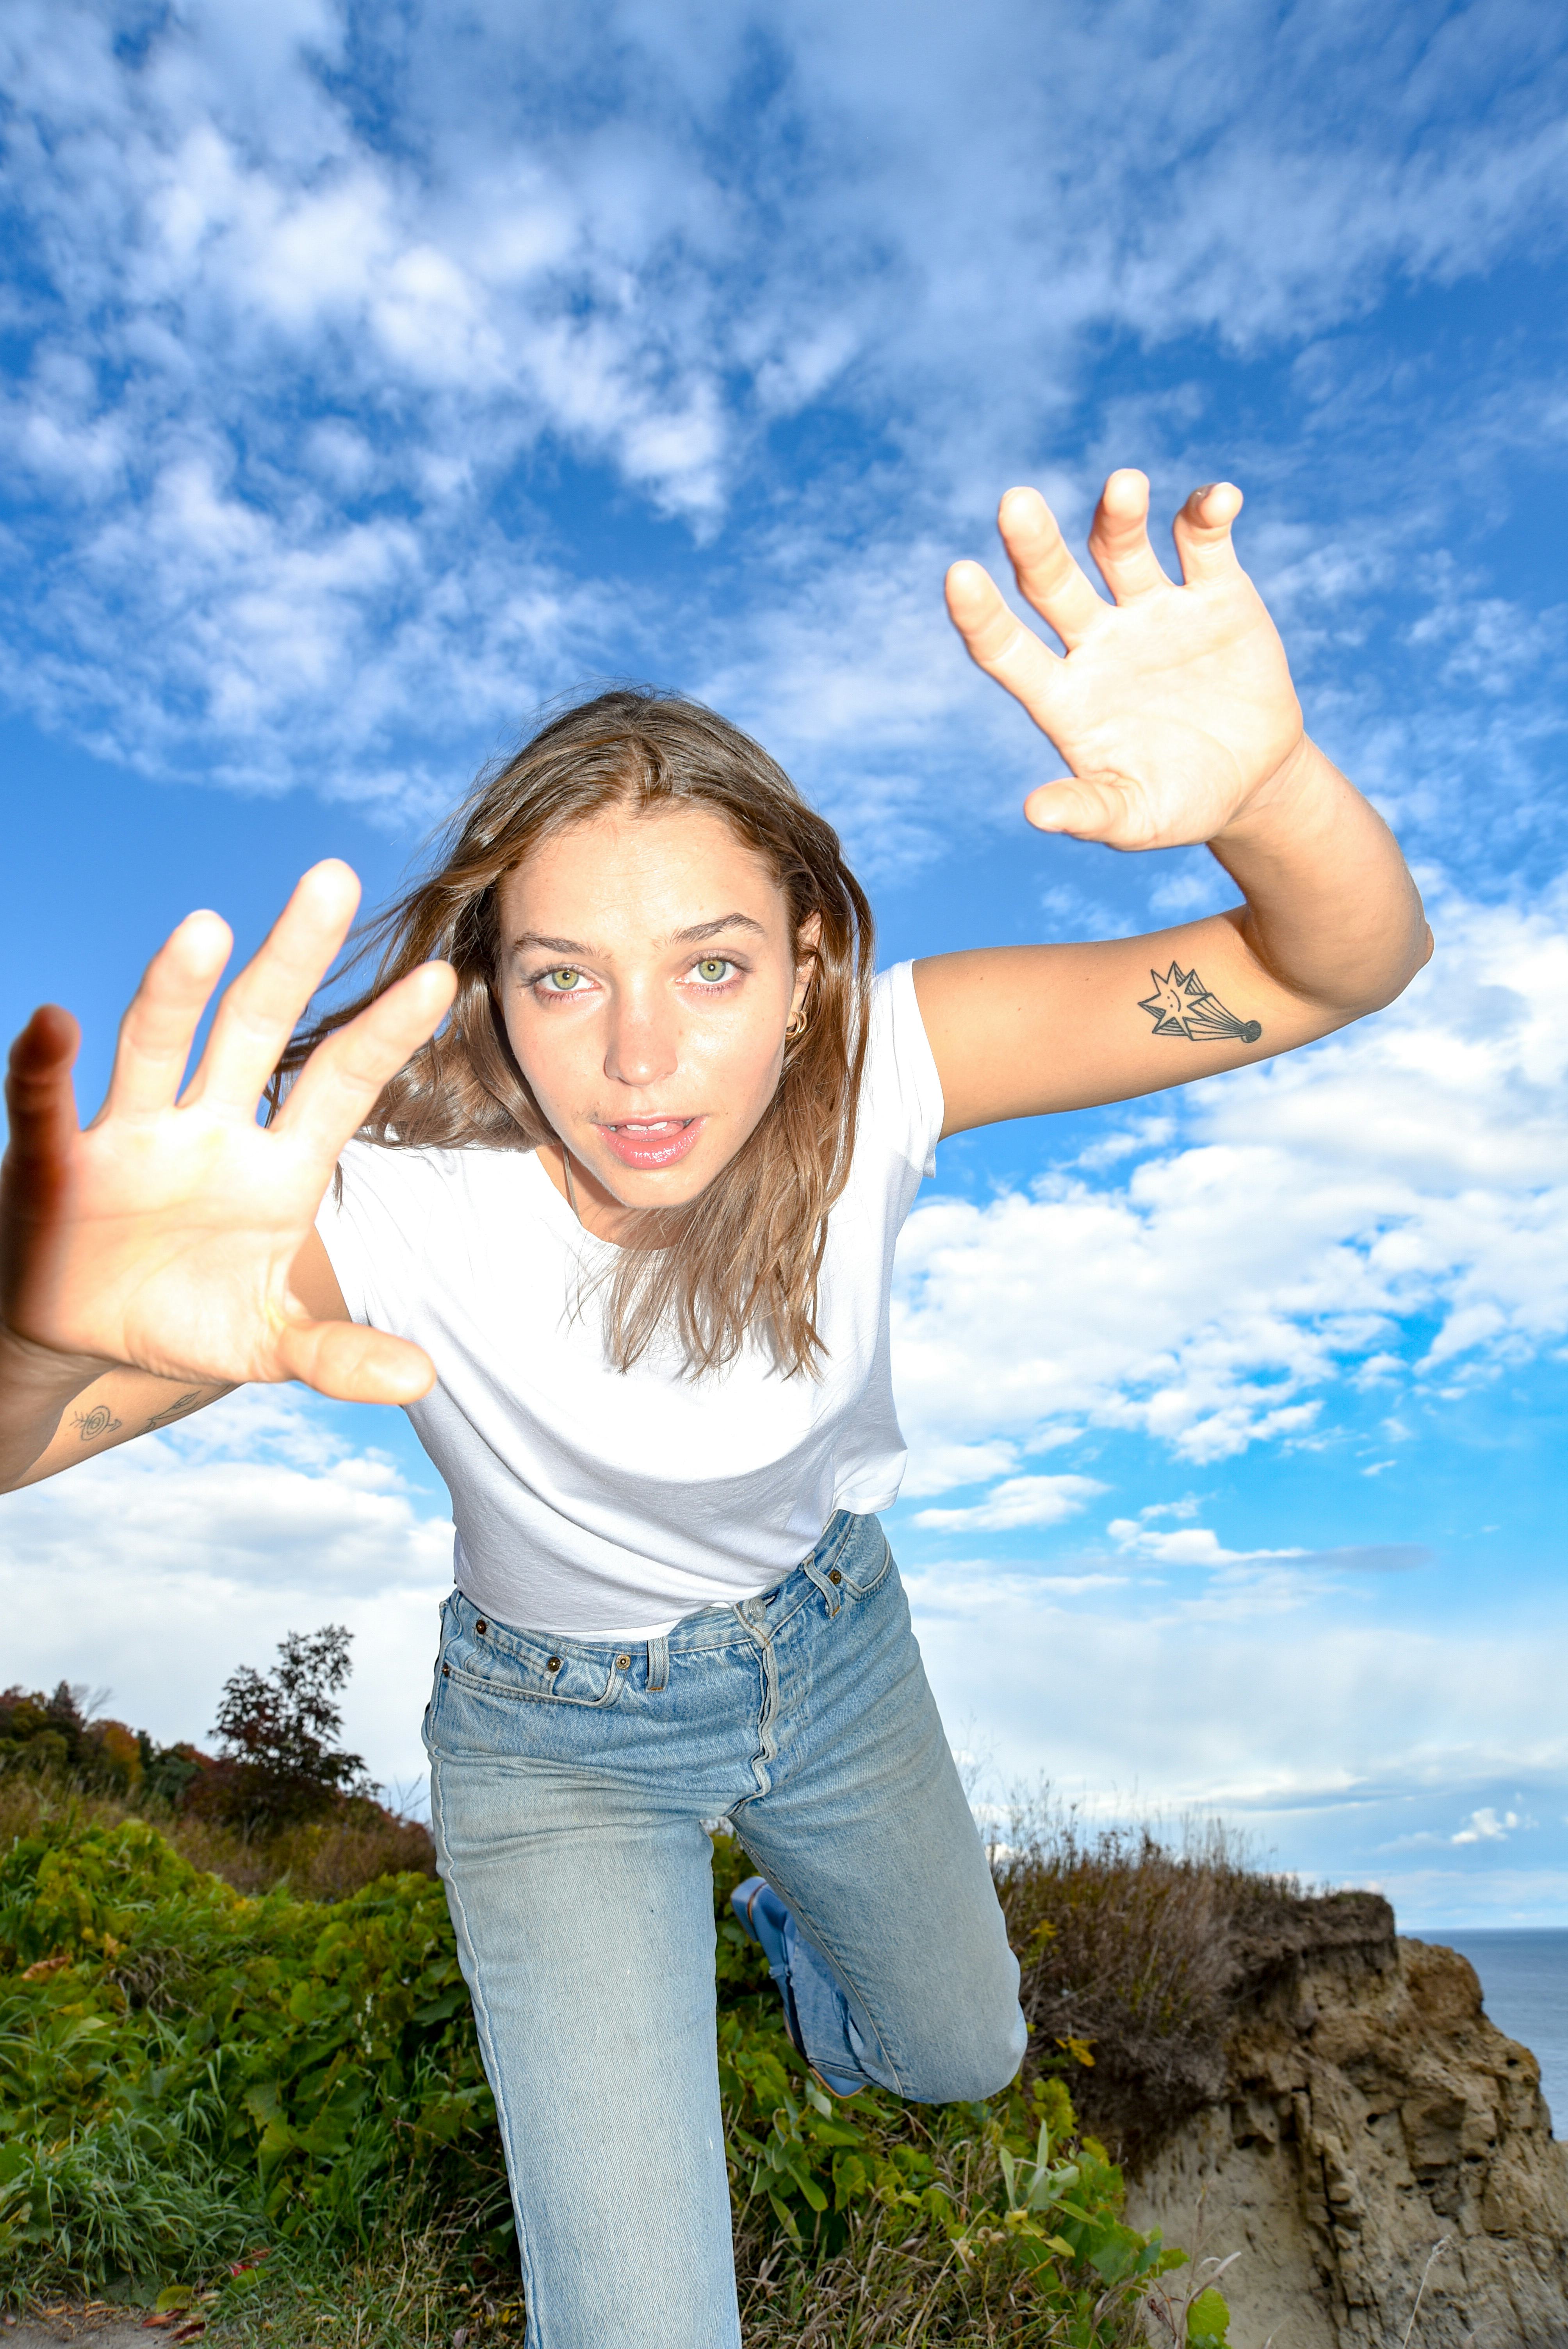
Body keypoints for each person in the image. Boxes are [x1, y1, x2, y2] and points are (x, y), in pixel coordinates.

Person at [0, 474, 1430, 2349]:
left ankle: (784, 1932)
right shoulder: (391, 1202)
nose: (647, 1059)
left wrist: (1268, 788)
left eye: (714, 965)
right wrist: (36, 1331)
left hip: (830, 1651)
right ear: (492, 994)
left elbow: (1336, 965)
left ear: (806, 962)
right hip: (557, 1738)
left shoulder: (889, 1069)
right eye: (564, 977)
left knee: (955, 2052)